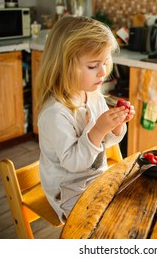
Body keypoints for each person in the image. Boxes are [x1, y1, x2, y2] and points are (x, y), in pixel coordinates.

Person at [34, 16, 135, 223]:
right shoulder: (55, 113)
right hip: (69, 192)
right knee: (108, 224)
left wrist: (115, 126)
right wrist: (98, 129)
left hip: (96, 179)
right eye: (92, 66)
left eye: (105, 62)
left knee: (133, 204)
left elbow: (104, 142)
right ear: (64, 66)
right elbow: (74, 163)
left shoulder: (94, 96)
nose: (103, 71)